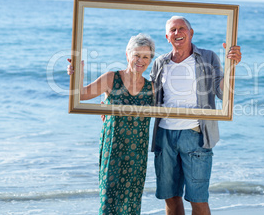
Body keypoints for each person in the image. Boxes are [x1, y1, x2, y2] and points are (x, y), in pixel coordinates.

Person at [150, 16, 241, 215]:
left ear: (191, 33)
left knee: (198, 200)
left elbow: (222, 92)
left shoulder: (208, 57)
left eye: (182, 28)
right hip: (164, 136)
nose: (177, 33)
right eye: (173, 30)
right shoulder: (160, 63)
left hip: (196, 136)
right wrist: (108, 100)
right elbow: (147, 95)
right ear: (167, 37)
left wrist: (231, 66)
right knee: (171, 197)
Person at [67, 33, 155, 215]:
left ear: (150, 60)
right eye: (136, 55)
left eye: (145, 57)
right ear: (127, 55)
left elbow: (171, 110)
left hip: (137, 155)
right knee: (108, 204)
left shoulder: (151, 88)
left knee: (131, 205)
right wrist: (77, 74)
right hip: (112, 150)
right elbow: (80, 95)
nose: (140, 60)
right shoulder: (111, 79)